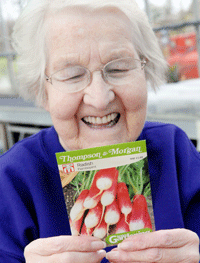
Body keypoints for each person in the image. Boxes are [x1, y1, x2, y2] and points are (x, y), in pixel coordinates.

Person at [0, 0, 199, 262]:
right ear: (42, 91)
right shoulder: (12, 179)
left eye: (118, 68)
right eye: (72, 75)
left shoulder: (175, 151)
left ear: (145, 71)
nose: (100, 98)